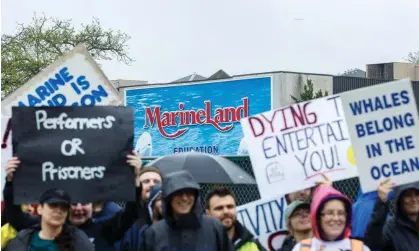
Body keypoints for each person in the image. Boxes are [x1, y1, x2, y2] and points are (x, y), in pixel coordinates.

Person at [4, 152, 142, 251]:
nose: (79, 208)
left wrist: (135, 180)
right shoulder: (42, 226)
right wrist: (11, 182)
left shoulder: (103, 231)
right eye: (74, 203)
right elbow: (15, 216)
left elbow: (130, 214)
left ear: (93, 206)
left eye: (85, 203)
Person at [140, 170, 234, 251]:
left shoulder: (214, 227)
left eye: (189, 193)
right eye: (178, 193)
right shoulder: (154, 233)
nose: (184, 198)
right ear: (169, 198)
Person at [5, 188, 94, 251]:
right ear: (40, 209)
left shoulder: (79, 241)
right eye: (53, 205)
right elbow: (15, 216)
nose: (59, 211)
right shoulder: (23, 239)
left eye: (64, 207)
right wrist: (9, 183)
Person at [291, 184, 370, 251]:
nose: (336, 218)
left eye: (341, 213)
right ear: (318, 217)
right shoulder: (301, 248)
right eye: (330, 213)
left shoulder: (360, 248)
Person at [205, 186, 266, 251]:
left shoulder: (252, 244)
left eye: (230, 207)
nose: (226, 211)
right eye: (219, 208)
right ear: (208, 213)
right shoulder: (198, 245)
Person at [364, 180, 419, 251]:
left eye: (417, 194)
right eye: (408, 195)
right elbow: (372, 244)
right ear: (399, 200)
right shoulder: (390, 228)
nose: (414, 199)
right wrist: (382, 202)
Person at [118, 183, 163, 251]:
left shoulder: (178, 230)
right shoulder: (138, 229)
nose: (164, 202)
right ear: (152, 202)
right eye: (160, 199)